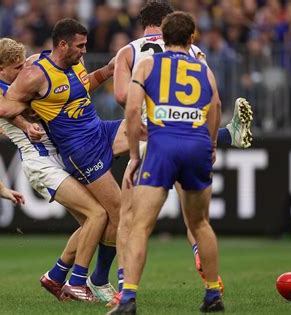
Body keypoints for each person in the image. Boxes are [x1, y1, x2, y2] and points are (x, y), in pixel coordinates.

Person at [110, 1, 253, 305]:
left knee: (134, 221)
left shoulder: (136, 56)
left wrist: (135, 155)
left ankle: (126, 294)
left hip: (159, 139)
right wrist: (214, 143)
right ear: (189, 36)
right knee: (199, 223)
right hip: (196, 141)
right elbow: (215, 105)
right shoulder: (199, 60)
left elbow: (129, 103)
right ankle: (212, 291)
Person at [0, 19, 132, 303]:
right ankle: (82, 281)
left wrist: (108, 70)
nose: (22, 69)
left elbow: (78, 86)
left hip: (90, 135)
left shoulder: (61, 66)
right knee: (101, 215)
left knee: (148, 129)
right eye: (16, 66)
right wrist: (26, 116)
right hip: (52, 158)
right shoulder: (11, 83)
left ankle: (57, 276)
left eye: (23, 62)